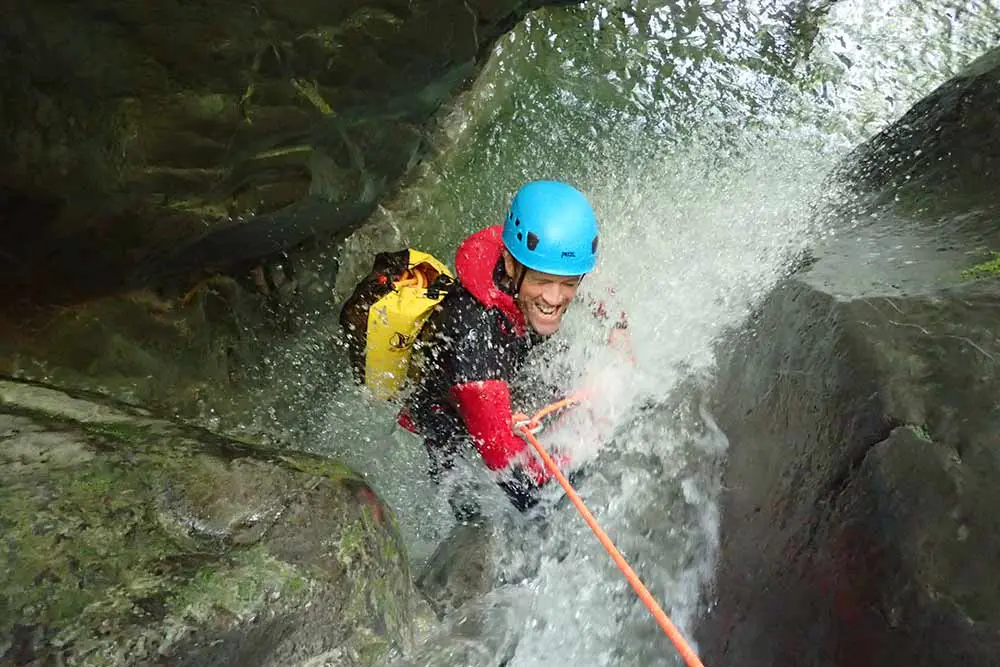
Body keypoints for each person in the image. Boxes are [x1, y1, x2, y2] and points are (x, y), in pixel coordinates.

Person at [396, 180, 626, 518]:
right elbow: (518, 475)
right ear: (509, 265)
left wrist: (618, 332)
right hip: (449, 419)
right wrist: (590, 437)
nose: (554, 297)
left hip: (504, 368)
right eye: (542, 281)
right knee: (507, 511)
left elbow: (592, 283)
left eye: (568, 284)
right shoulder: (476, 350)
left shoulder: (531, 257)